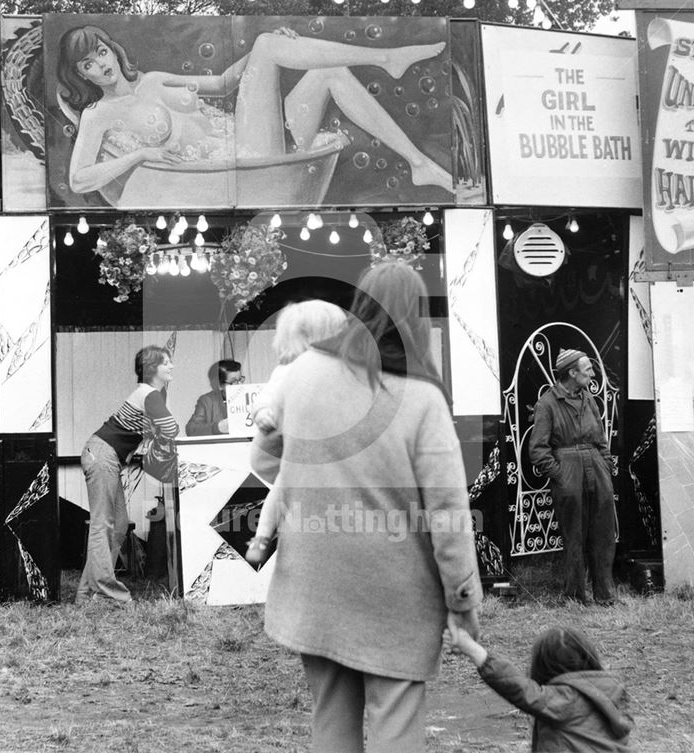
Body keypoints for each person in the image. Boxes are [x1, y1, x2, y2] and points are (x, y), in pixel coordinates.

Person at [250, 261, 482, 753]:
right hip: (397, 595)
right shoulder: (423, 398)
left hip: (316, 585)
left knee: (330, 723)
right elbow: (448, 513)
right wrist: (462, 602)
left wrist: (319, 484)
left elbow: (265, 459)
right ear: (417, 318)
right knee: (396, 728)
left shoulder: (304, 371)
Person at [56, 25, 452, 201]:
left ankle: (420, 164)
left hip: (255, 147)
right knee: (266, 43)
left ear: (112, 49)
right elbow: (77, 180)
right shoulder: (99, 115)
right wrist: (140, 154)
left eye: (101, 52)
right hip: (242, 162)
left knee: (324, 68)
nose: (100, 65)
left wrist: (275, 49)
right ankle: (387, 58)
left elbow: (225, 83)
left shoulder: (154, 80)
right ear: (81, 75)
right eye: (87, 64)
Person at [245, 299, 348, 566]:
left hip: (315, 451)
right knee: (283, 485)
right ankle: (262, 536)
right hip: (290, 448)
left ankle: (271, 537)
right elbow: (265, 398)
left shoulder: (338, 371)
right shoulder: (288, 370)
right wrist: (264, 413)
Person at [76, 346, 177, 605]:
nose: (171, 367)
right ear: (153, 369)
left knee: (118, 524)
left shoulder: (150, 394)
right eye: (167, 363)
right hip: (103, 455)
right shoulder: (150, 394)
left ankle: (87, 593)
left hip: (105, 456)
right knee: (103, 524)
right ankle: (107, 592)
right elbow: (171, 428)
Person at [444, 619, 634, 752]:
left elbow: (518, 688)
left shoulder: (566, 699)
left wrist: (474, 650)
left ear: (543, 666)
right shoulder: (612, 691)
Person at [529, 349, 617, 606]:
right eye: (587, 369)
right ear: (572, 372)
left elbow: (600, 438)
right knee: (574, 535)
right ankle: (576, 596)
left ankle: (605, 594)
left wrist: (606, 463)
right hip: (568, 470)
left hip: (596, 468)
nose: (592, 373)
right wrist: (561, 475)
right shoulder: (547, 404)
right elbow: (537, 449)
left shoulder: (589, 399)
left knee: (603, 532)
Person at [185, 359, 243, 436]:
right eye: (234, 382)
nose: (240, 385)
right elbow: (191, 430)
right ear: (219, 385)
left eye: (240, 380)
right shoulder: (207, 401)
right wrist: (218, 427)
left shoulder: (249, 396)